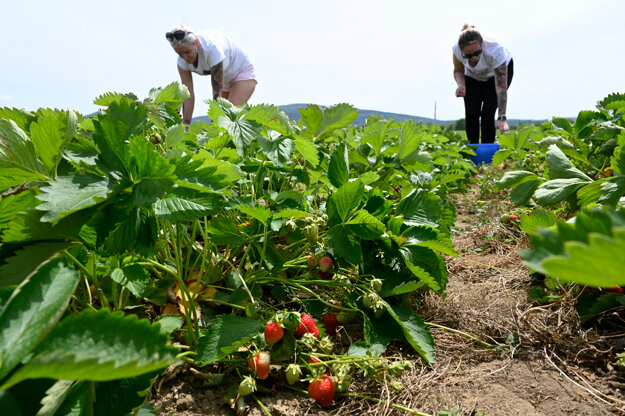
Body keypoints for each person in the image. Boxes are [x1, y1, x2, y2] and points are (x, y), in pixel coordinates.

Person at [165, 24, 257, 128]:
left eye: (187, 52)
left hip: (242, 71)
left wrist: (214, 122)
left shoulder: (212, 50)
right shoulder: (181, 62)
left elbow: (217, 94)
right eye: (180, 54)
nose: (184, 57)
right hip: (226, 80)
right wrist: (185, 127)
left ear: (196, 43)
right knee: (218, 124)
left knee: (226, 120)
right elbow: (188, 96)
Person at [452, 24, 513, 144]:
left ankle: (488, 155)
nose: (473, 58)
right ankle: (472, 152)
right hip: (472, 76)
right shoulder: (457, 50)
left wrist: (502, 118)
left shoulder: (495, 50)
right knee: (471, 113)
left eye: (477, 53)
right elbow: (458, 70)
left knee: (487, 113)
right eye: (468, 56)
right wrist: (461, 84)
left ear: (482, 45)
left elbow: (501, 89)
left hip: (496, 77)